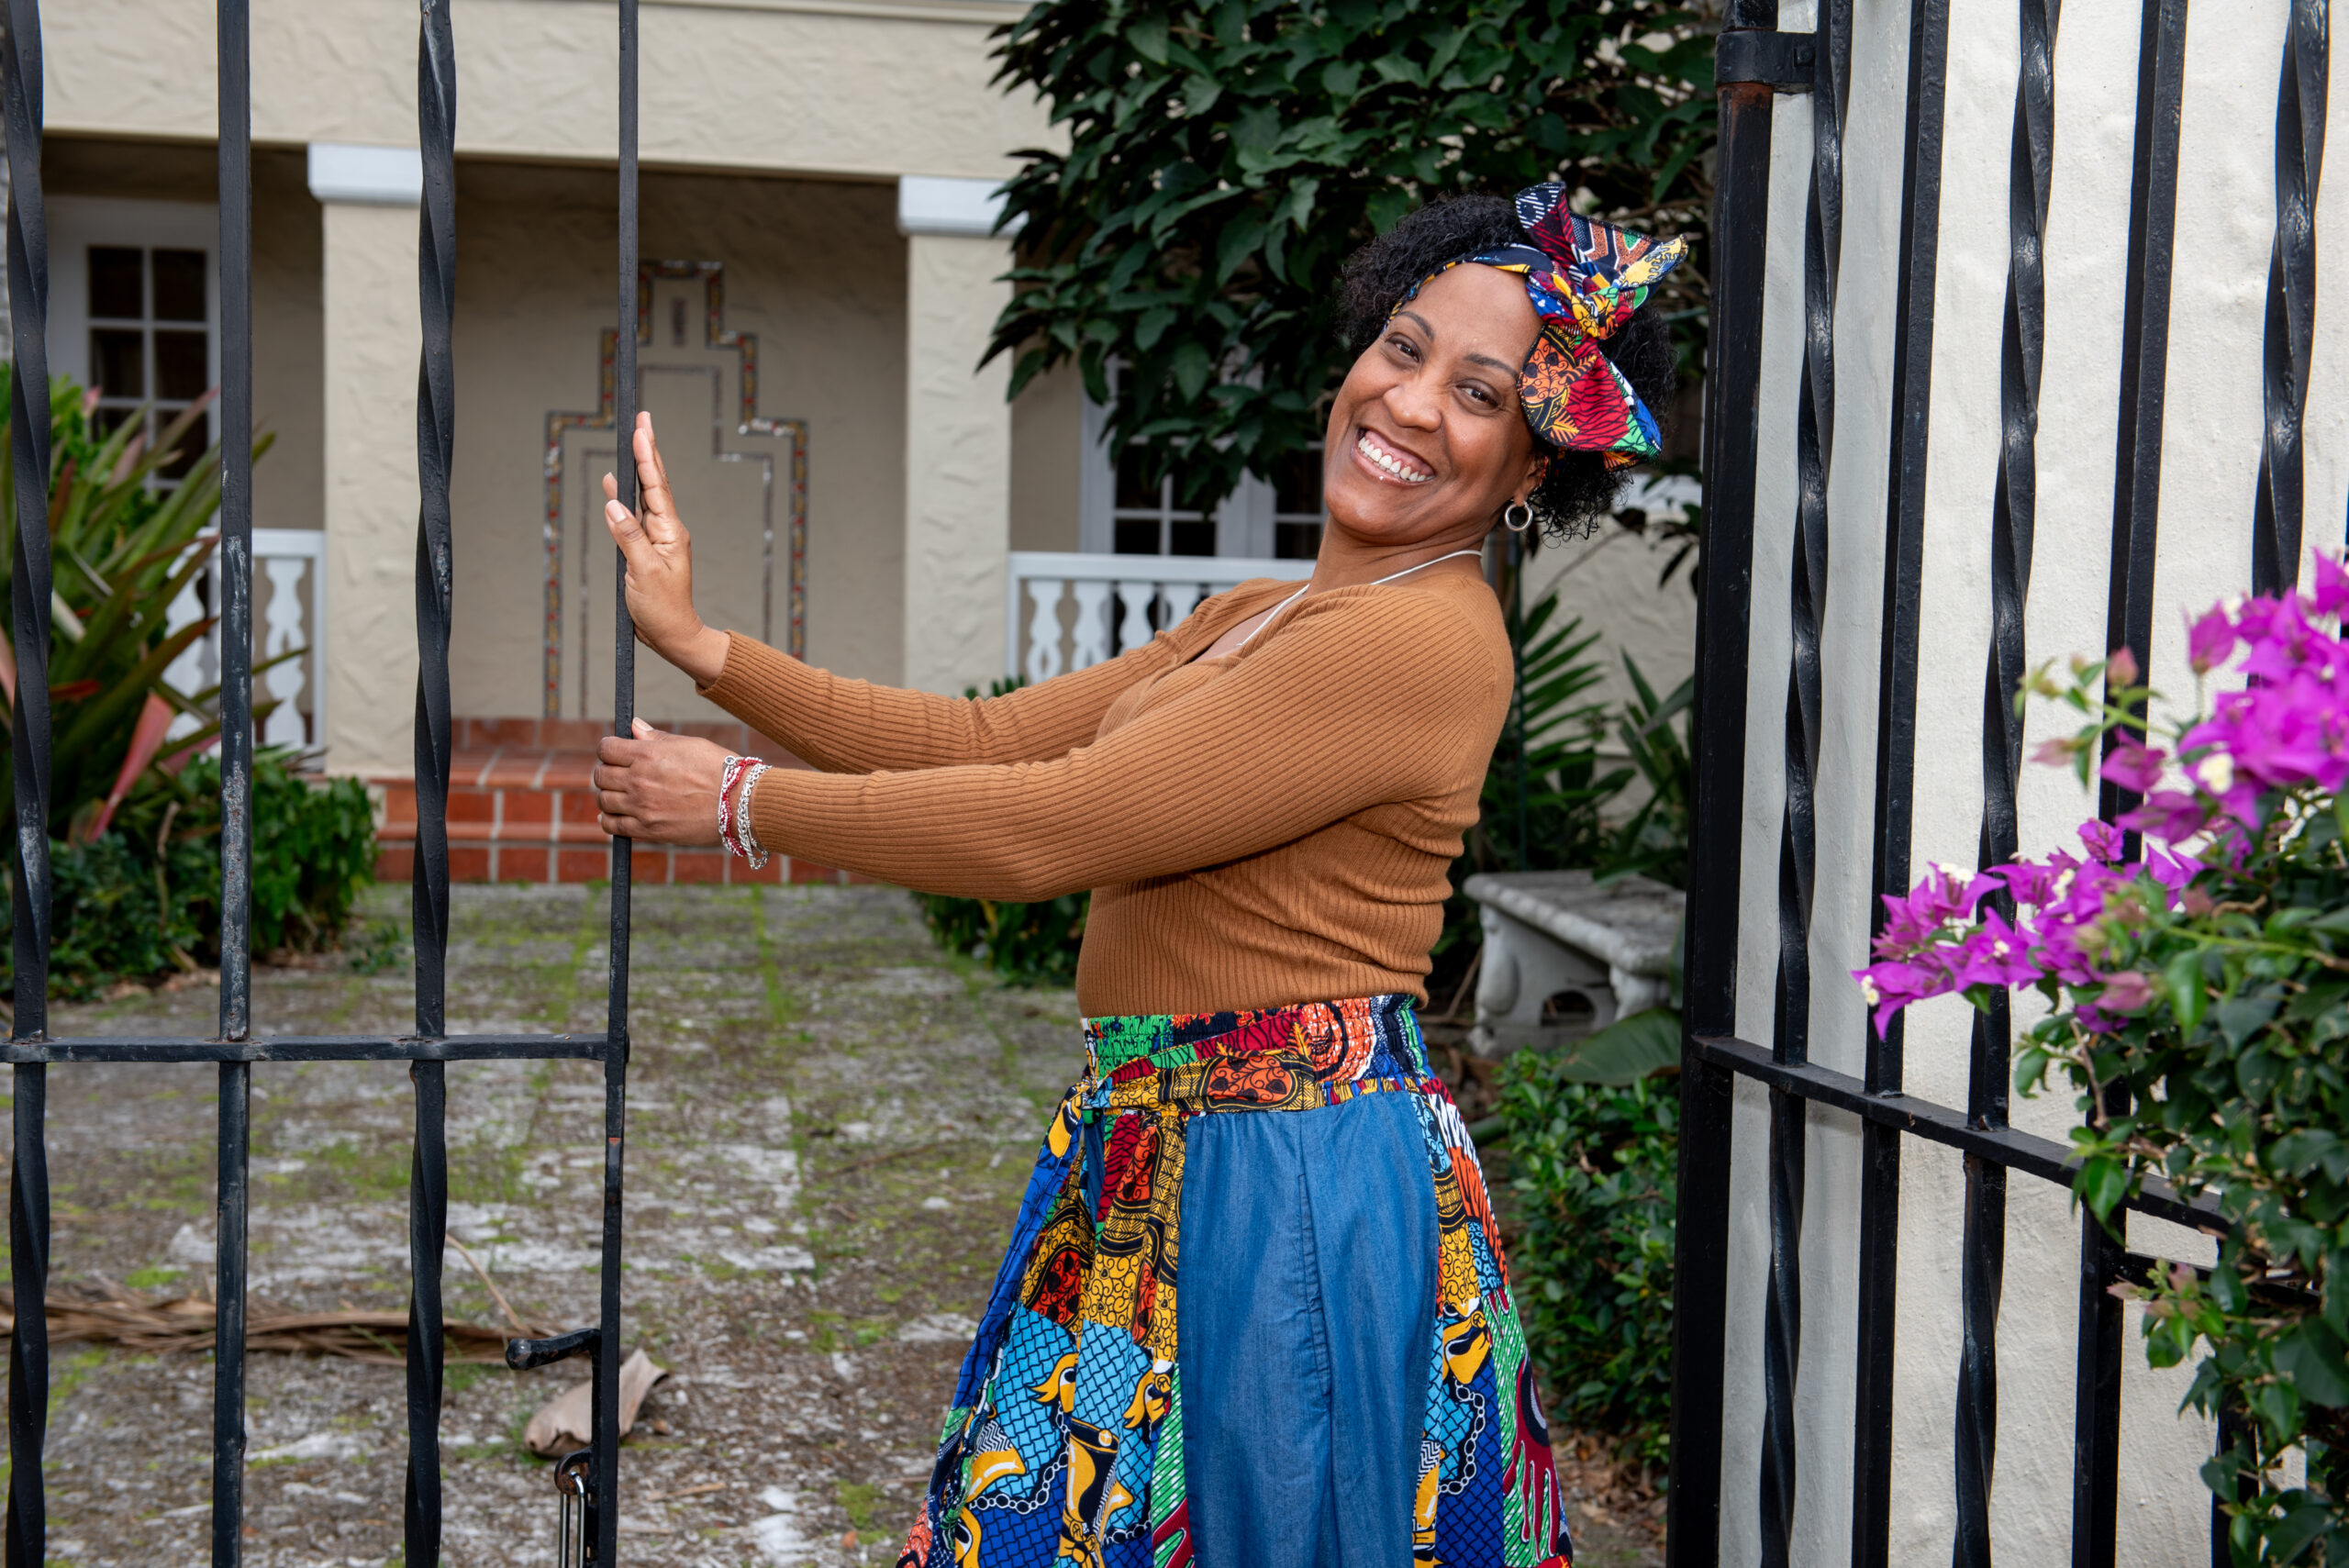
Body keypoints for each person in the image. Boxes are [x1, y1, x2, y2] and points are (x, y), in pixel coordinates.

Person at [591, 183, 1683, 1568]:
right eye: (1403, 348)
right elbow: (989, 737)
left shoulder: (1422, 643)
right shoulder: (1274, 610)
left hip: (1285, 1176)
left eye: (1478, 392)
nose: (1408, 405)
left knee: (1258, 1524)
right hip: (1164, 1144)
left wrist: (743, 805)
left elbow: (1057, 824)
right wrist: (708, 650)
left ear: (1533, 466)